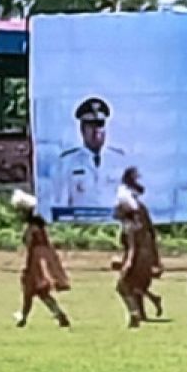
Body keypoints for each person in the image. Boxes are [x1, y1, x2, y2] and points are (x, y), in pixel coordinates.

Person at [11, 189, 70, 328]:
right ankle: (58, 314)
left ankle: (23, 318)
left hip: (36, 262)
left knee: (30, 291)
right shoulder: (38, 227)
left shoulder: (33, 229)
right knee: (40, 293)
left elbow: (32, 248)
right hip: (39, 259)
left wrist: (33, 267)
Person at [54, 97, 127, 211]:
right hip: (81, 224)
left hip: (113, 222)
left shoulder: (119, 160)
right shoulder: (67, 162)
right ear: (82, 129)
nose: (96, 131)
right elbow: (60, 204)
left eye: (100, 125)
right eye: (91, 126)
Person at [113, 170, 158, 329]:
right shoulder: (135, 219)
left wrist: (128, 263)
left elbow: (133, 246)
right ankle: (142, 310)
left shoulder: (131, 224)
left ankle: (135, 314)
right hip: (142, 254)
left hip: (139, 255)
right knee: (135, 285)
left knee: (126, 285)